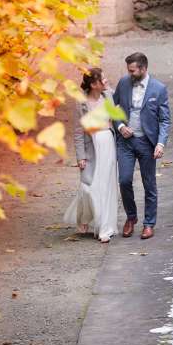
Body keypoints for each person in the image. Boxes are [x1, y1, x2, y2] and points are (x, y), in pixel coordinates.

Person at [112, 52, 171, 240]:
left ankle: (149, 223)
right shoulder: (123, 83)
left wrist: (160, 143)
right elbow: (112, 107)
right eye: (128, 70)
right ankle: (131, 217)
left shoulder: (159, 89)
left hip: (147, 143)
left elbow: (165, 120)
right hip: (126, 143)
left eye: (132, 70)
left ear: (143, 68)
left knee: (149, 184)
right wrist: (120, 126)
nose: (129, 73)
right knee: (124, 180)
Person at [63, 68, 118, 243]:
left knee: (106, 185)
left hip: (107, 143)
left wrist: (108, 92)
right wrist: (80, 156)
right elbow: (78, 131)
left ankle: (104, 227)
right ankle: (85, 218)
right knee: (87, 186)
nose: (106, 81)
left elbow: (116, 115)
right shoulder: (82, 103)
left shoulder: (108, 96)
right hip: (91, 147)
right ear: (94, 84)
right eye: (103, 79)